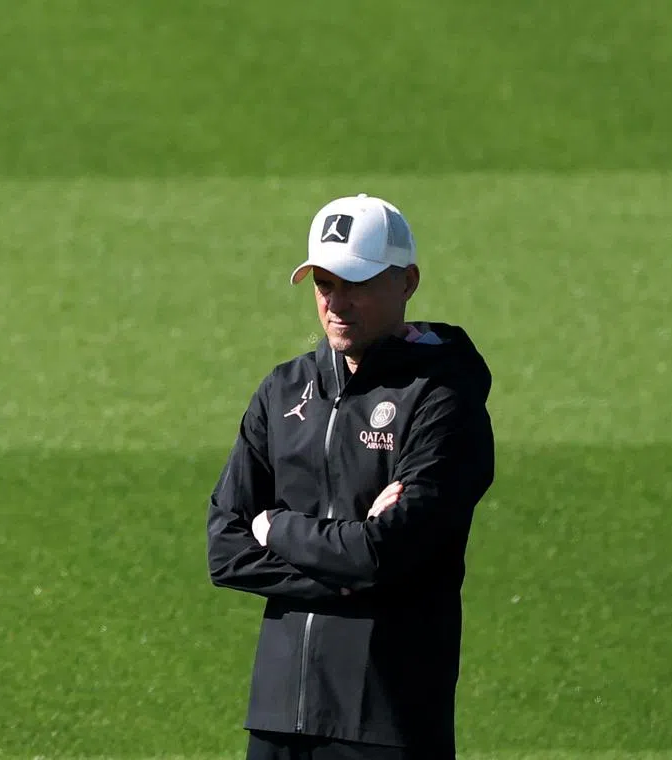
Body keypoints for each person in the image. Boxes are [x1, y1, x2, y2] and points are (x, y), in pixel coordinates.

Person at [206, 194, 495, 760]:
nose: (337, 303)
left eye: (356, 283)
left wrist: (278, 528)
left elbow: (385, 551)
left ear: (407, 282)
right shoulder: (284, 390)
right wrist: (346, 570)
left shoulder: (442, 399)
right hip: (278, 714)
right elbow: (225, 548)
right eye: (323, 284)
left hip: (387, 716)